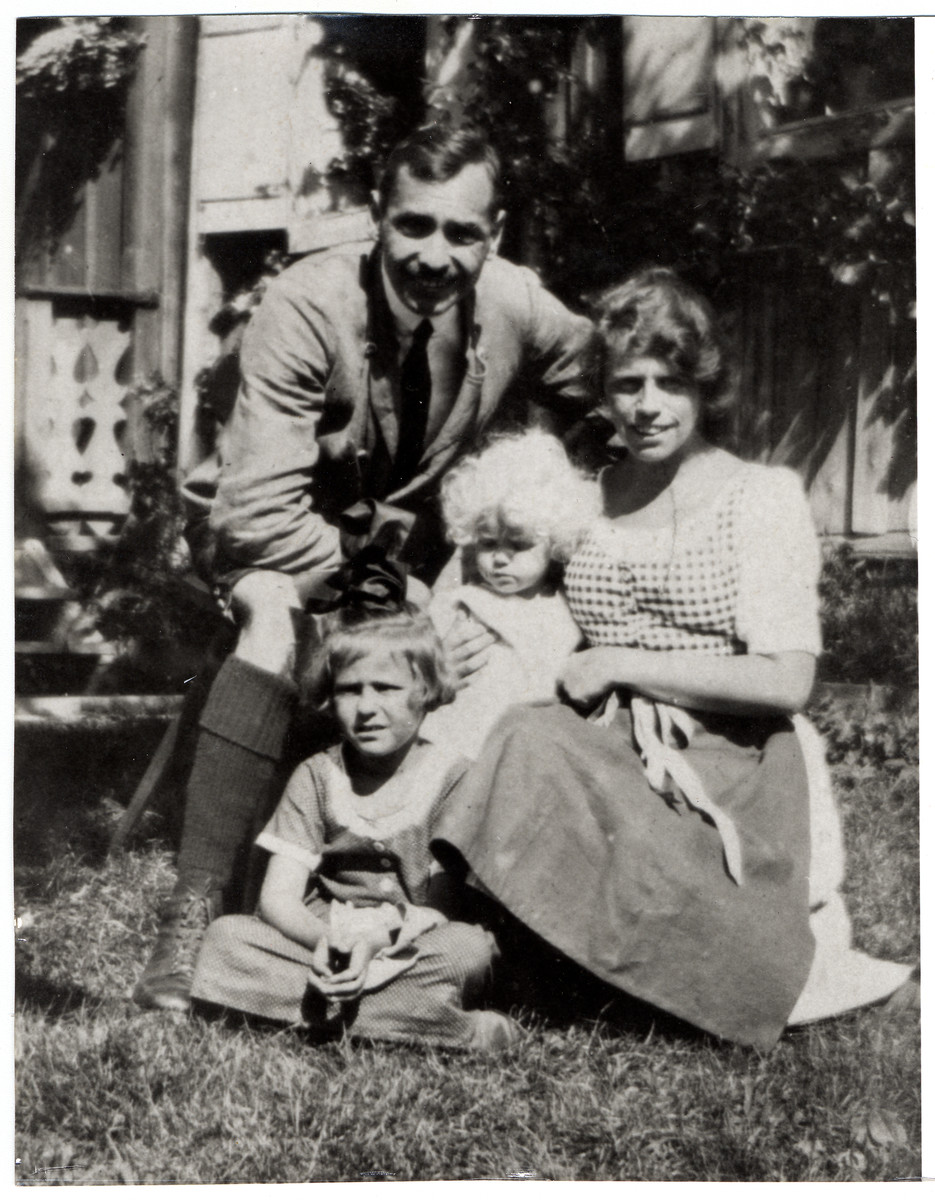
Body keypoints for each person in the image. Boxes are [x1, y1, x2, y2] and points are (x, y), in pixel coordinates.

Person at [133, 123, 594, 1011]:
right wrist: (403, 596)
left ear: (492, 236)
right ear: (376, 219)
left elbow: (610, 381)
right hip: (274, 538)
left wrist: (579, 490)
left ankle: (473, 898)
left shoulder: (512, 301)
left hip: (407, 554)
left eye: (461, 233)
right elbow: (258, 514)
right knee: (270, 610)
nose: (434, 255)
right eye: (413, 227)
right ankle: (190, 919)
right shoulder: (307, 304)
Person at [431, 267, 915, 1051]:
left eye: (670, 381)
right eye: (626, 383)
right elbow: (489, 540)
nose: (647, 405)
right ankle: (448, 946)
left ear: (704, 386)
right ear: (604, 390)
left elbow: (786, 680)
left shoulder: (759, 497)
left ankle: (593, 968)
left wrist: (618, 661)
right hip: (604, 738)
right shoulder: (586, 496)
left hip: (732, 753)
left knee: (532, 743)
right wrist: (441, 623)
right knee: (519, 735)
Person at [190, 580, 519, 1052]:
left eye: (386, 688)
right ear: (330, 696)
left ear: (425, 691)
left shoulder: (453, 777)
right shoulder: (318, 775)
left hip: (414, 940)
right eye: (349, 690)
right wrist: (328, 942)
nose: (367, 708)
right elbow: (277, 899)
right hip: (325, 940)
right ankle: (447, 1028)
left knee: (467, 950)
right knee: (225, 940)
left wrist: (375, 944)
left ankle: (314, 1013)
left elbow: (442, 909)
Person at [422, 428, 600, 758]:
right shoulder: (463, 603)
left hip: (536, 746)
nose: (500, 558)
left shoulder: (564, 608)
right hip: (460, 737)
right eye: (488, 543)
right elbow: (424, 659)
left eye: (519, 546)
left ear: (554, 543)